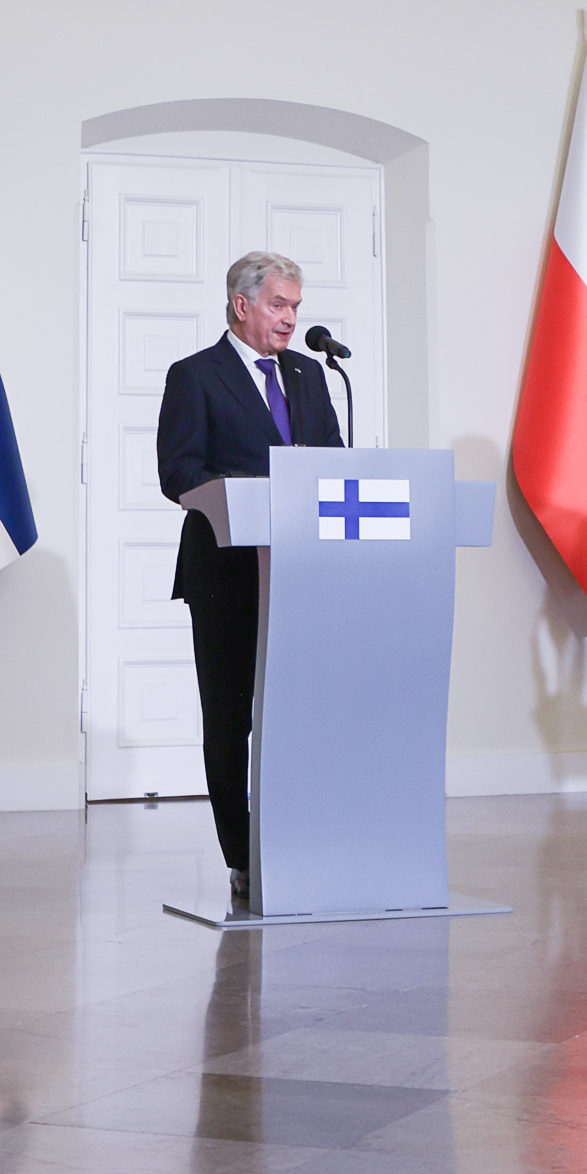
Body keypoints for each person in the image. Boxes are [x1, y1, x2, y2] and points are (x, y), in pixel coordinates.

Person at [154, 252, 341, 910]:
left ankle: (300, 844)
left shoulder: (312, 376)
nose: (292, 318)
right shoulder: (196, 376)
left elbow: (333, 467)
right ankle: (244, 858)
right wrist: (253, 493)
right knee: (231, 718)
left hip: (300, 573)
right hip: (227, 573)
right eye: (279, 305)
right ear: (242, 304)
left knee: (298, 715)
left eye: (296, 305)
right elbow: (178, 472)